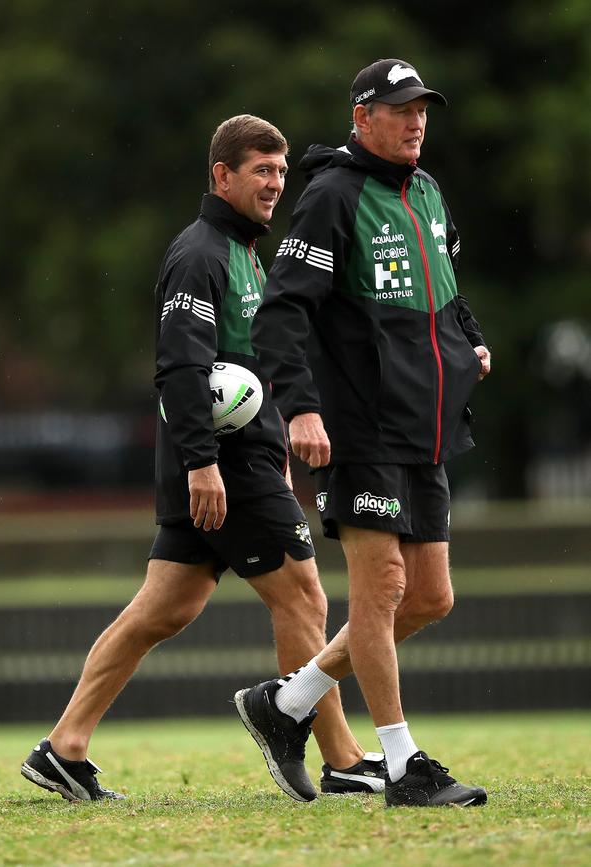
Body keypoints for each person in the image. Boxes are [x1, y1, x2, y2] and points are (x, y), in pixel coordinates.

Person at [20, 114, 385, 804]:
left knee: (164, 607)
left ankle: (62, 747)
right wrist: (202, 463)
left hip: (237, 460)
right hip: (219, 463)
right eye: (262, 170)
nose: (276, 183)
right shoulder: (200, 254)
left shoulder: (247, 253)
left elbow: (250, 370)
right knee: (304, 594)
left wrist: (269, 450)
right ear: (222, 175)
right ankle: (340, 757)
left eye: (281, 171)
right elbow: (181, 369)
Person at [234, 61, 491, 807]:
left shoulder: (430, 192)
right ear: (362, 116)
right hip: (360, 426)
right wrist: (302, 408)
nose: (415, 122)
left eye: (422, 110)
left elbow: (448, 290)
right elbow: (280, 313)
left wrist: (469, 341)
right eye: (399, 109)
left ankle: (285, 702)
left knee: (431, 597)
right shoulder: (331, 198)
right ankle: (403, 763)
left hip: (427, 426)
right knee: (380, 590)